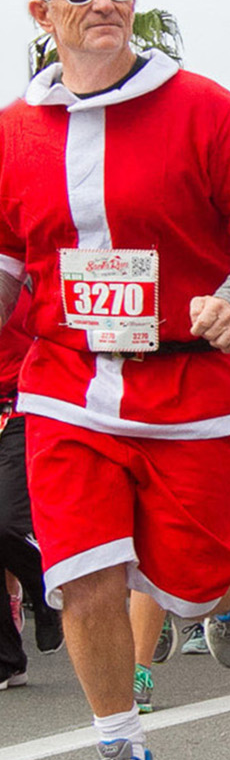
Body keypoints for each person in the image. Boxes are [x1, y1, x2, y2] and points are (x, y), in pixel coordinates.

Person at [0, 0, 230, 760]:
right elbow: (12, 266)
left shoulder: (201, 106)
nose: (104, 2)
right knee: (86, 572)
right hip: (65, 380)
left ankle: (224, 589)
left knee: (195, 573)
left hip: (192, 390)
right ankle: (122, 753)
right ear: (42, 15)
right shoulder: (16, 132)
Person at [0, 283, 62, 691]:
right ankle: (8, 660)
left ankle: (42, 587)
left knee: (4, 521)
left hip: (23, 405)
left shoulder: (21, 269)